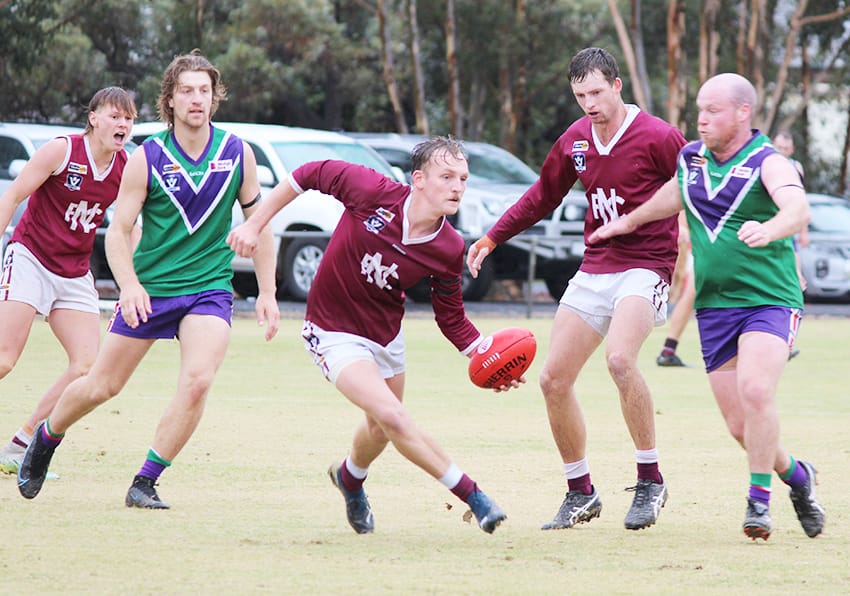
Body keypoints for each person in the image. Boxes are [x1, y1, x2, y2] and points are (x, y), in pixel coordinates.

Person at [17, 50, 281, 508]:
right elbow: (118, 232)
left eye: (204, 90)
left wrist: (269, 292)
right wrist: (131, 286)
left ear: (214, 98)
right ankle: (47, 434)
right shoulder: (148, 158)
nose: (197, 99)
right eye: (186, 91)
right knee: (102, 385)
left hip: (209, 288)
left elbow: (260, 225)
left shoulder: (239, 153)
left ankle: (145, 481)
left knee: (198, 380)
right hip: (152, 289)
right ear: (171, 101)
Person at [228, 137, 512, 534]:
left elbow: (451, 318)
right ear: (419, 180)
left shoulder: (449, 246)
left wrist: (491, 357)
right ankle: (475, 496)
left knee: (380, 426)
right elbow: (309, 173)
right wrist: (255, 223)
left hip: (385, 336)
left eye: (462, 178)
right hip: (332, 330)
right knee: (394, 417)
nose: (457, 187)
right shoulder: (371, 191)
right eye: (446, 176)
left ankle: (350, 477)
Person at [590, 73, 825, 541]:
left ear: (743, 113)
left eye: (713, 110)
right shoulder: (691, 158)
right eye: (699, 108)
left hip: (769, 299)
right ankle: (798, 475)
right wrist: (628, 222)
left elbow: (797, 208)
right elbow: (674, 195)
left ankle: (758, 503)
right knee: (741, 427)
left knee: (757, 392)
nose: (701, 118)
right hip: (716, 307)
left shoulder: (768, 161)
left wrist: (774, 228)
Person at [467, 47, 686, 531]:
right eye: (580, 95)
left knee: (620, 360)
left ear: (617, 86)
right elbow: (542, 195)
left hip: (646, 265)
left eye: (596, 92)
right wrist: (492, 235)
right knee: (552, 379)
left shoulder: (659, 136)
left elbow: (696, 188)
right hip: (596, 266)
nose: (589, 103)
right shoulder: (576, 140)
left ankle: (650, 479)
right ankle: (580, 490)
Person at [0, 87, 136, 475]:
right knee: (5, 360)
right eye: (115, 115)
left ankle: (21, 444)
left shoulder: (127, 167)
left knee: (87, 367)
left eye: (128, 118)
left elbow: (130, 229)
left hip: (74, 271)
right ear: (93, 118)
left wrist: (139, 280)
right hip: (30, 257)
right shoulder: (62, 150)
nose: (122, 124)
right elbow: (11, 197)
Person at [773, 131, 807, 359]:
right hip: (770, 232)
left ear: (791, 151)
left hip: (789, 235)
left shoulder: (796, 168)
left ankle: (787, 341)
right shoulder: (766, 164)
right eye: (778, 147)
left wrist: (803, 230)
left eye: (785, 149)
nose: (781, 152)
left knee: (797, 282)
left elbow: (801, 202)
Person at [656, 213, 695, 367]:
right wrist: (681, 227)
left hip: (704, 243)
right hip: (701, 245)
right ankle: (668, 351)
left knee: (691, 293)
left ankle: (668, 351)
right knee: (691, 292)